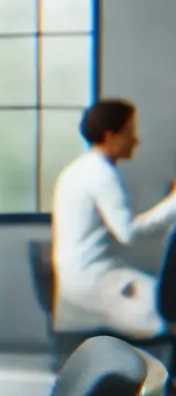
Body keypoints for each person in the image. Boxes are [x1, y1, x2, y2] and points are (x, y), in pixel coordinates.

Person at [50, 99, 176, 341]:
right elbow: (127, 233)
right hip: (93, 284)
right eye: (129, 132)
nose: (136, 140)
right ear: (110, 135)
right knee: (168, 311)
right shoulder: (101, 174)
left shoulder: (79, 169)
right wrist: (173, 203)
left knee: (163, 298)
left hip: (82, 280)